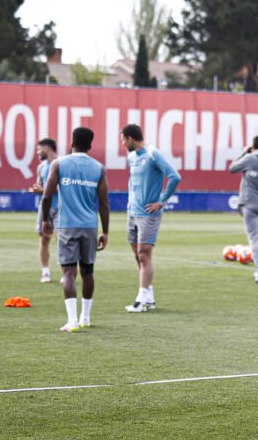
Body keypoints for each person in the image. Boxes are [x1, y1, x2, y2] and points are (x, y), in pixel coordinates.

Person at [41, 127, 109, 332]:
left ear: (71, 142)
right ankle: (86, 317)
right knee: (88, 272)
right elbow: (104, 203)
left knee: (69, 272)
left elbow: (47, 195)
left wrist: (46, 220)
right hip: (89, 226)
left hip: (68, 225)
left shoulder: (59, 164)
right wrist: (105, 231)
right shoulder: (99, 168)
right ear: (90, 145)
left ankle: (72, 321)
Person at [120, 123, 181, 312]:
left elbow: (174, 176)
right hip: (133, 212)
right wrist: (130, 202)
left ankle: (141, 299)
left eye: (123, 139)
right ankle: (149, 296)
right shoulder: (131, 157)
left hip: (149, 213)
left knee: (144, 254)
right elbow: (132, 182)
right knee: (137, 255)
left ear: (130, 138)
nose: (122, 143)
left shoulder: (153, 153)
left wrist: (161, 202)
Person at [228, 135, 258, 284]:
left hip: (250, 204)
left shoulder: (250, 159)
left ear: (253, 146)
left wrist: (243, 152)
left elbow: (232, 169)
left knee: (253, 237)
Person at [29, 138, 58, 283]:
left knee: (62, 239)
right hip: (45, 206)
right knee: (44, 238)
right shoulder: (41, 167)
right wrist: (37, 190)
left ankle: (67, 272)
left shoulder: (61, 164)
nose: (37, 153)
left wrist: (44, 190)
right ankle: (45, 272)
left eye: (39, 150)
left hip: (60, 207)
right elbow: (40, 185)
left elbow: (65, 187)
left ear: (46, 148)